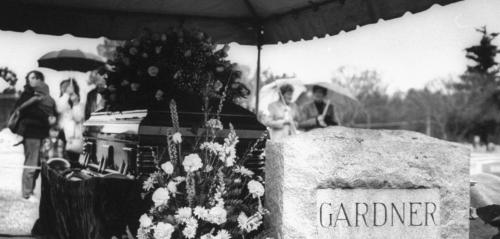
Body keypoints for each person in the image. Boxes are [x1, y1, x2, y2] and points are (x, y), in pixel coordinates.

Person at [13, 70, 56, 201]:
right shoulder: (28, 94)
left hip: (41, 134)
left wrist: (52, 118)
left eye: (35, 78)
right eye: (30, 78)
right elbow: (24, 112)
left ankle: (30, 190)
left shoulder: (44, 95)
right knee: (31, 164)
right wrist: (45, 117)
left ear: (40, 80)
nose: (31, 80)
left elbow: (50, 111)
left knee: (37, 165)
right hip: (31, 134)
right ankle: (26, 193)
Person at [57, 78, 85, 164]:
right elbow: (59, 109)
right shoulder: (62, 100)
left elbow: (79, 118)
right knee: (61, 161)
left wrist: (75, 103)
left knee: (73, 160)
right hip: (62, 134)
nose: (66, 89)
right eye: (64, 88)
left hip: (74, 136)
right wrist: (66, 95)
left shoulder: (79, 104)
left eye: (68, 87)